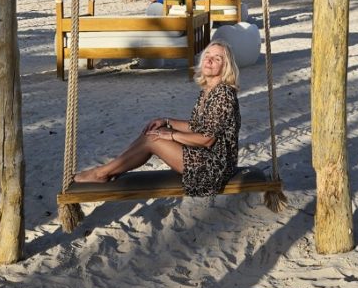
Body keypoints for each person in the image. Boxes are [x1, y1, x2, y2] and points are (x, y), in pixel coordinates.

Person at [73, 41, 241, 196]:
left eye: (217, 58)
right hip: (203, 157)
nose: (209, 60)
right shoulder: (209, 90)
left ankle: (101, 173)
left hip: (214, 168)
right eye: (207, 55)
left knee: (153, 139)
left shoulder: (223, 94)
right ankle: (111, 168)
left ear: (226, 66)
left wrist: (171, 135)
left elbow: (207, 139)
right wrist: (167, 122)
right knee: (154, 131)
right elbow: (198, 126)